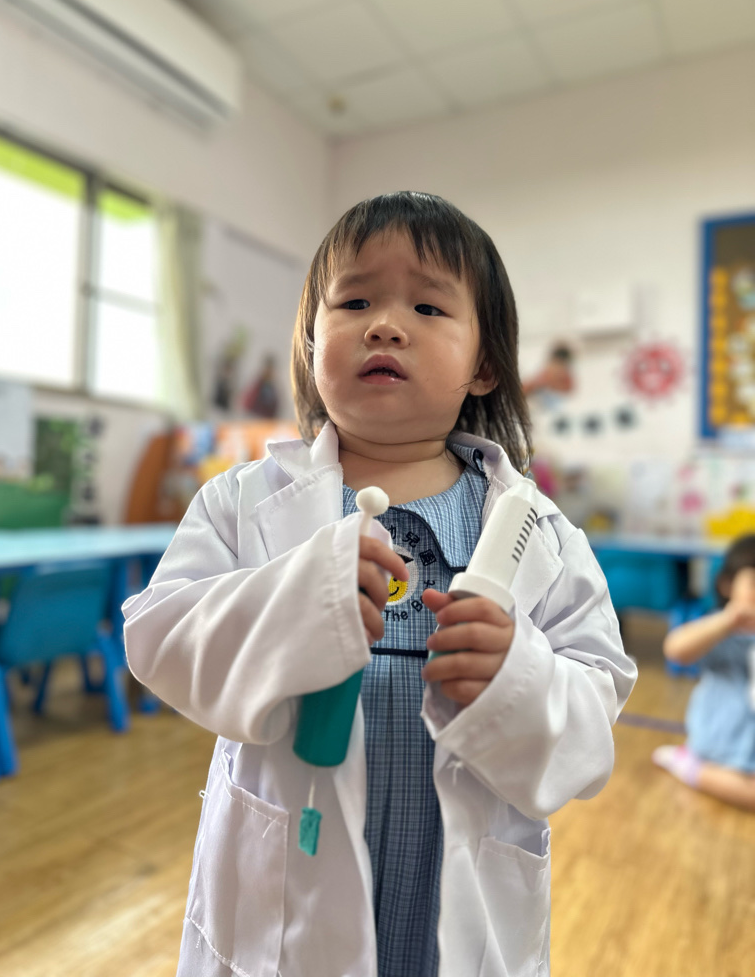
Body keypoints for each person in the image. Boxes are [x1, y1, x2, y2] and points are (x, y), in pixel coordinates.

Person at [123, 192, 637, 977]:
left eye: (428, 307)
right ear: (311, 341)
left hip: (454, 893)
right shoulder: (242, 502)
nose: (385, 326)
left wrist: (517, 677)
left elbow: (595, 703)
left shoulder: (542, 531)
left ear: (484, 365)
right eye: (355, 301)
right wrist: (297, 602)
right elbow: (159, 636)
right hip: (288, 890)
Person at [653, 534, 755, 811]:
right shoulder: (720, 629)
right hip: (724, 740)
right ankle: (689, 765)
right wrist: (728, 620)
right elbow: (675, 649)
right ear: (727, 585)